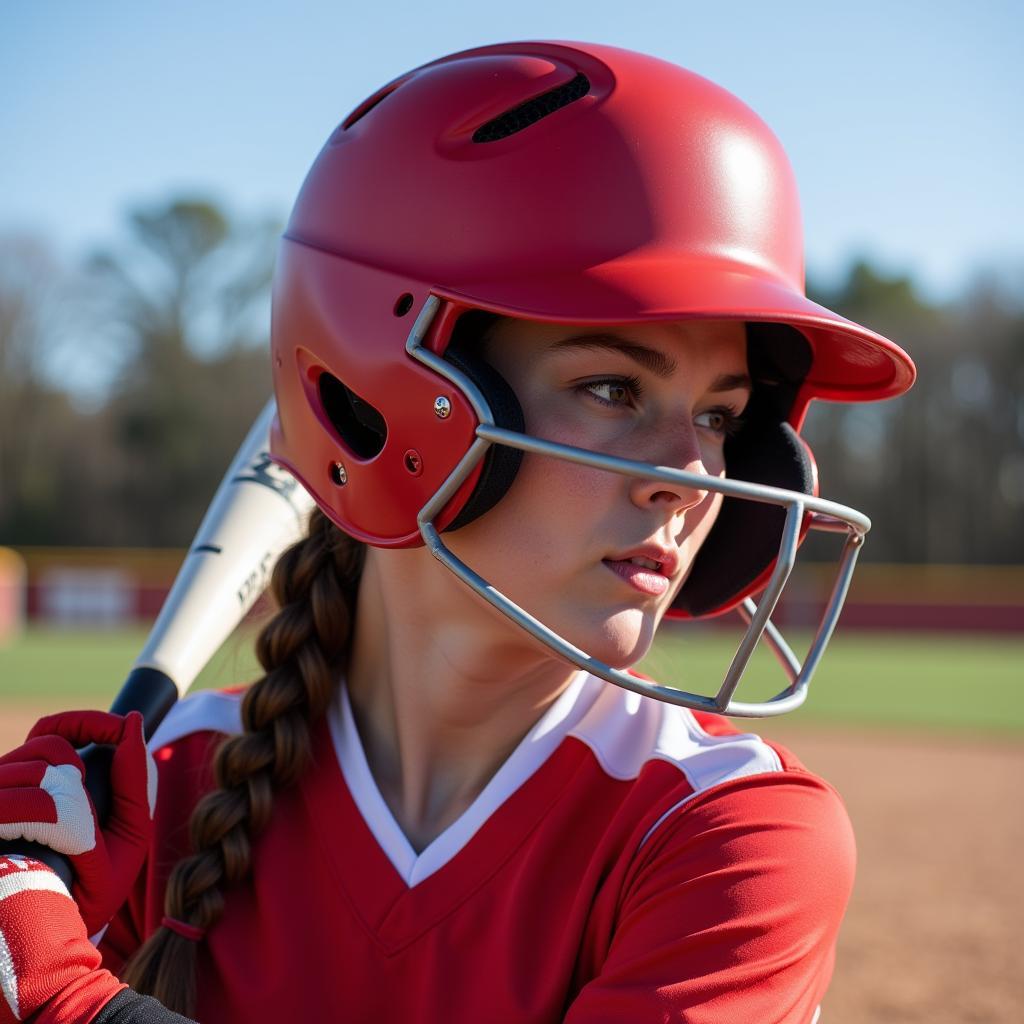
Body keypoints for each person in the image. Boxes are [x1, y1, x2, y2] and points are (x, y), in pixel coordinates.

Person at [0, 40, 914, 1024]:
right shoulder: (157, 793)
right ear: (379, 400)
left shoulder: (728, 836)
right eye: (614, 388)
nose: (692, 479)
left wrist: (67, 1003)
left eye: (718, 416)